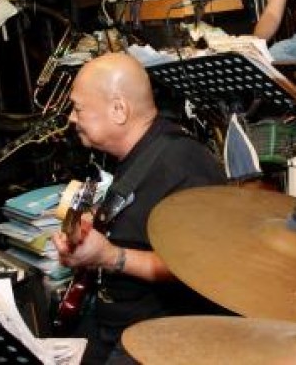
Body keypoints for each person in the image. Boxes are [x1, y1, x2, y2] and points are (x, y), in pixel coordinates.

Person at [52, 52, 226, 364]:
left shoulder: (183, 162)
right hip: (112, 318)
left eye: (78, 109)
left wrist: (108, 257)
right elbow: (137, 221)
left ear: (119, 109)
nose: (71, 119)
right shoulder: (135, 155)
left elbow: (198, 266)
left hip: (157, 333)